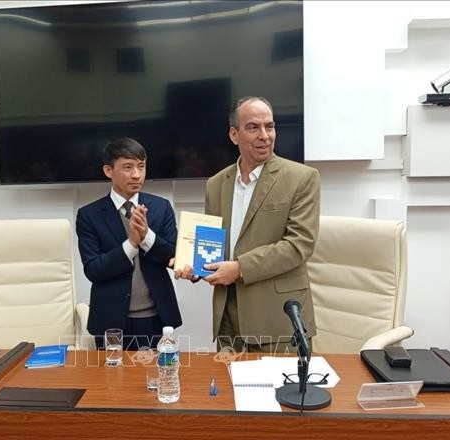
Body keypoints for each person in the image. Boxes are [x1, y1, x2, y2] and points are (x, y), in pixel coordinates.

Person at [177, 96, 321, 353]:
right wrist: (196, 268)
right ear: (234, 135)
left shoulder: (302, 178)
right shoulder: (216, 184)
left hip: (277, 321)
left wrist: (240, 268)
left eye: (270, 126)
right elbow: (214, 246)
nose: (265, 135)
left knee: (282, 393)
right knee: (229, 392)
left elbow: (299, 245)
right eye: (253, 127)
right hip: (227, 321)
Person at [76, 137, 182, 351]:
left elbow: (173, 255)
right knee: (112, 382)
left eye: (141, 167)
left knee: (157, 378)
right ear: (108, 171)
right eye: (128, 167)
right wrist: (131, 244)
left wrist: (146, 237)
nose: (136, 175)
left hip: (156, 318)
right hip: (111, 321)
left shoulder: (161, 208)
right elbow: (94, 270)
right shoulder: (89, 215)